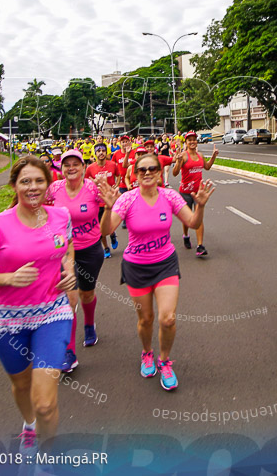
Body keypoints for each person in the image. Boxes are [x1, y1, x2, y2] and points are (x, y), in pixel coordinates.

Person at [0, 156, 76, 454]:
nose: (33, 187)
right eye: (26, 181)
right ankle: (29, 424)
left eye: (39, 181)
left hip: (53, 313)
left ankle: (47, 458)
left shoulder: (61, 217)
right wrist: (9, 278)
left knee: (45, 403)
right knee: (21, 386)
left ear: (48, 184)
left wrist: (69, 269)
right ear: (14, 185)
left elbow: (67, 248)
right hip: (8, 321)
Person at [97, 153, 215, 391]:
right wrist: (108, 209)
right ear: (136, 175)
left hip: (165, 264)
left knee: (167, 318)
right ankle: (147, 353)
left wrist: (200, 206)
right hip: (136, 266)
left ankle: (164, 360)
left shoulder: (169, 196)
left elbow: (192, 222)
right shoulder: (127, 199)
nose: (148, 172)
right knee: (146, 319)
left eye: (153, 168)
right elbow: (106, 229)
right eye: (142, 170)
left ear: (159, 172)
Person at [46, 150, 107, 367]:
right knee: (68, 300)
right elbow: (39, 208)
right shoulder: (54, 189)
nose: (71, 168)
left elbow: (112, 203)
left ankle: (89, 324)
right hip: (62, 252)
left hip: (90, 249)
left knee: (86, 294)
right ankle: (69, 351)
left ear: (83, 167)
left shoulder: (92, 187)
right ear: (61, 169)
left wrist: (106, 189)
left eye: (75, 164)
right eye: (66, 165)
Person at [171, 132, 218, 258]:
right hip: (185, 192)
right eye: (189, 140)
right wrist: (178, 161)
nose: (192, 142)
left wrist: (213, 157)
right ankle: (186, 235)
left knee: (198, 218)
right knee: (187, 219)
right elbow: (175, 173)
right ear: (186, 143)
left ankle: (200, 246)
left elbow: (207, 167)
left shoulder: (200, 155)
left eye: (194, 140)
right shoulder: (184, 156)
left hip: (198, 194)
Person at [86, 143, 121, 256]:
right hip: (97, 202)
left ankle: (112, 235)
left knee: (111, 223)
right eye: (98, 151)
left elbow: (118, 175)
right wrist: (93, 183)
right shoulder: (90, 168)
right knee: (100, 228)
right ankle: (106, 248)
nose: (101, 153)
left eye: (103, 151)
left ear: (106, 153)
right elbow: (86, 183)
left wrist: (116, 184)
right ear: (95, 153)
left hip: (111, 200)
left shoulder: (112, 164)